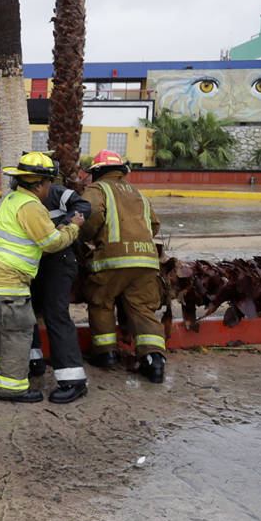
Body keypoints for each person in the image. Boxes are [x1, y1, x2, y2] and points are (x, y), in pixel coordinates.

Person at [0, 152, 84, 403]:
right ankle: (11, 388)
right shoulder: (32, 206)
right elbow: (51, 243)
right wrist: (73, 226)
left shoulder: (13, 199)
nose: (50, 188)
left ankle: (2, 372)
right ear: (38, 184)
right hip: (7, 278)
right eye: (49, 183)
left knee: (4, 326)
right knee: (19, 329)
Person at [80, 150, 166, 382]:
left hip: (112, 261)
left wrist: (84, 236)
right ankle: (154, 361)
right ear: (122, 171)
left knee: (101, 302)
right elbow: (154, 224)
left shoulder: (98, 189)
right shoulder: (139, 193)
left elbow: (91, 216)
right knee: (142, 308)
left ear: (96, 172)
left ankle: (106, 354)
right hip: (147, 262)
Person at [28, 176, 92, 403]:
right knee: (28, 313)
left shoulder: (55, 192)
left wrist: (65, 224)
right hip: (34, 262)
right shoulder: (21, 198)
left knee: (56, 314)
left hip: (59, 260)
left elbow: (83, 206)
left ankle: (73, 381)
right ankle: (33, 363)